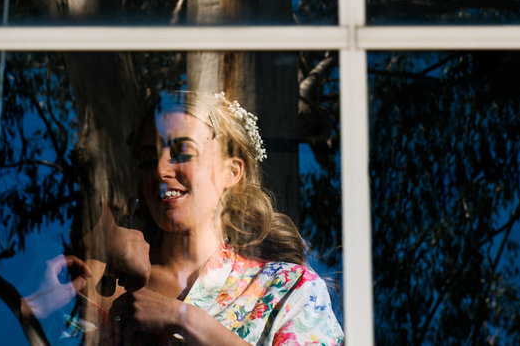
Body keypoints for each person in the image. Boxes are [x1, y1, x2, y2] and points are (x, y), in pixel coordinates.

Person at [93, 91, 344, 345]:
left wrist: (185, 318)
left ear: (231, 171)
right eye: (148, 161)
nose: (160, 170)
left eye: (183, 154)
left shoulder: (288, 289)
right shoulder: (100, 282)